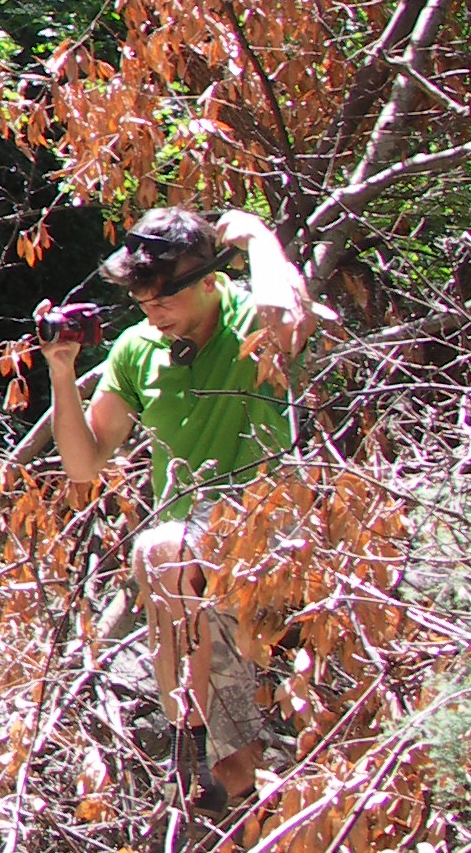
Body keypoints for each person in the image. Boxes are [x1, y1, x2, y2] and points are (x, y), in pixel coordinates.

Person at [40, 207, 317, 810]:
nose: (154, 309)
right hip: (187, 552)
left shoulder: (250, 318)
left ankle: (199, 746)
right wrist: (62, 373)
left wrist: (262, 240)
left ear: (212, 278)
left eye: (167, 295)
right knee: (166, 551)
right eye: (142, 297)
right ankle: (225, 769)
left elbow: (290, 319)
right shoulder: (138, 349)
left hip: (270, 523)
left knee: (162, 549)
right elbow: (85, 464)